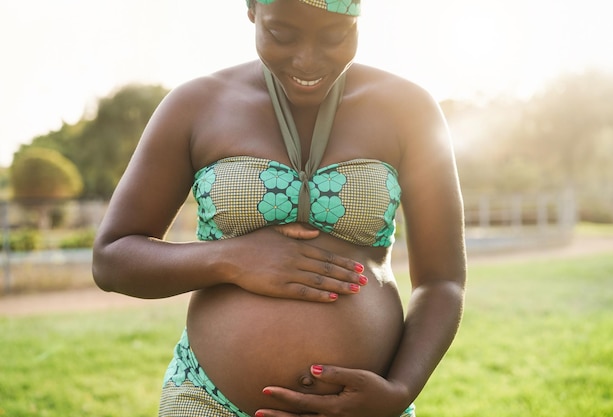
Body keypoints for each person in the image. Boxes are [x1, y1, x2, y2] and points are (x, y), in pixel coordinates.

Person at [92, 0, 466, 416]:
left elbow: (442, 281)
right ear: (252, 10)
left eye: (334, 37)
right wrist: (230, 259)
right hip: (206, 401)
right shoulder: (195, 106)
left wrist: (397, 392)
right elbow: (112, 259)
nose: (307, 60)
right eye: (282, 35)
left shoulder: (408, 110)